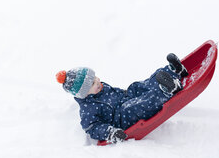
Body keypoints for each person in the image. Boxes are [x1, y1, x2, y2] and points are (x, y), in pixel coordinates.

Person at [55, 53, 188, 143]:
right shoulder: (88, 109)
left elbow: (113, 93)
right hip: (121, 117)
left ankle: (174, 70)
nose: (98, 81)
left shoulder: (97, 88)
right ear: (84, 93)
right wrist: (110, 132)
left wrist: (127, 93)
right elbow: (91, 128)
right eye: (94, 83)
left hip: (125, 96)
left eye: (95, 77)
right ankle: (167, 90)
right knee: (140, 104)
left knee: (140, 85)